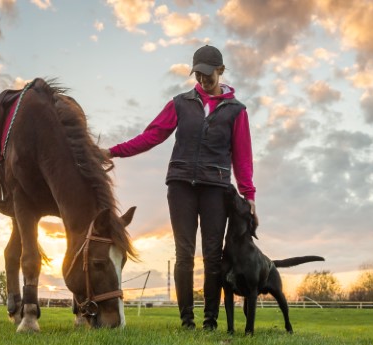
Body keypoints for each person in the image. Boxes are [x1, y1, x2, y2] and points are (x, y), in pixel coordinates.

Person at [102, 45, 257, 330]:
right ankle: (187, 320)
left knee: (212, 255)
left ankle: (210, 321)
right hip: (181, 185)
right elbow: (152, 135)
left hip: (216, 187)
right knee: (184, 253)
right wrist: (112, 152)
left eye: (208, 75)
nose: (202, 80)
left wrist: (249, 195)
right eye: (197, 74)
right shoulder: (180, 103)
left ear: (221, 72)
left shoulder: (237, 111)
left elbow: (242, 156)